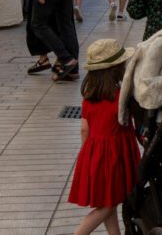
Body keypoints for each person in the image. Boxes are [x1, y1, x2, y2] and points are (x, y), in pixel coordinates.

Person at [67, 38, 140, 235]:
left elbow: (84, 129)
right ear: (116, 68)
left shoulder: (89, 96)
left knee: (110, 202)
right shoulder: (120, 97)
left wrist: (87, 156)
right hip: (114, 156)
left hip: (94, 153)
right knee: (108, 204)